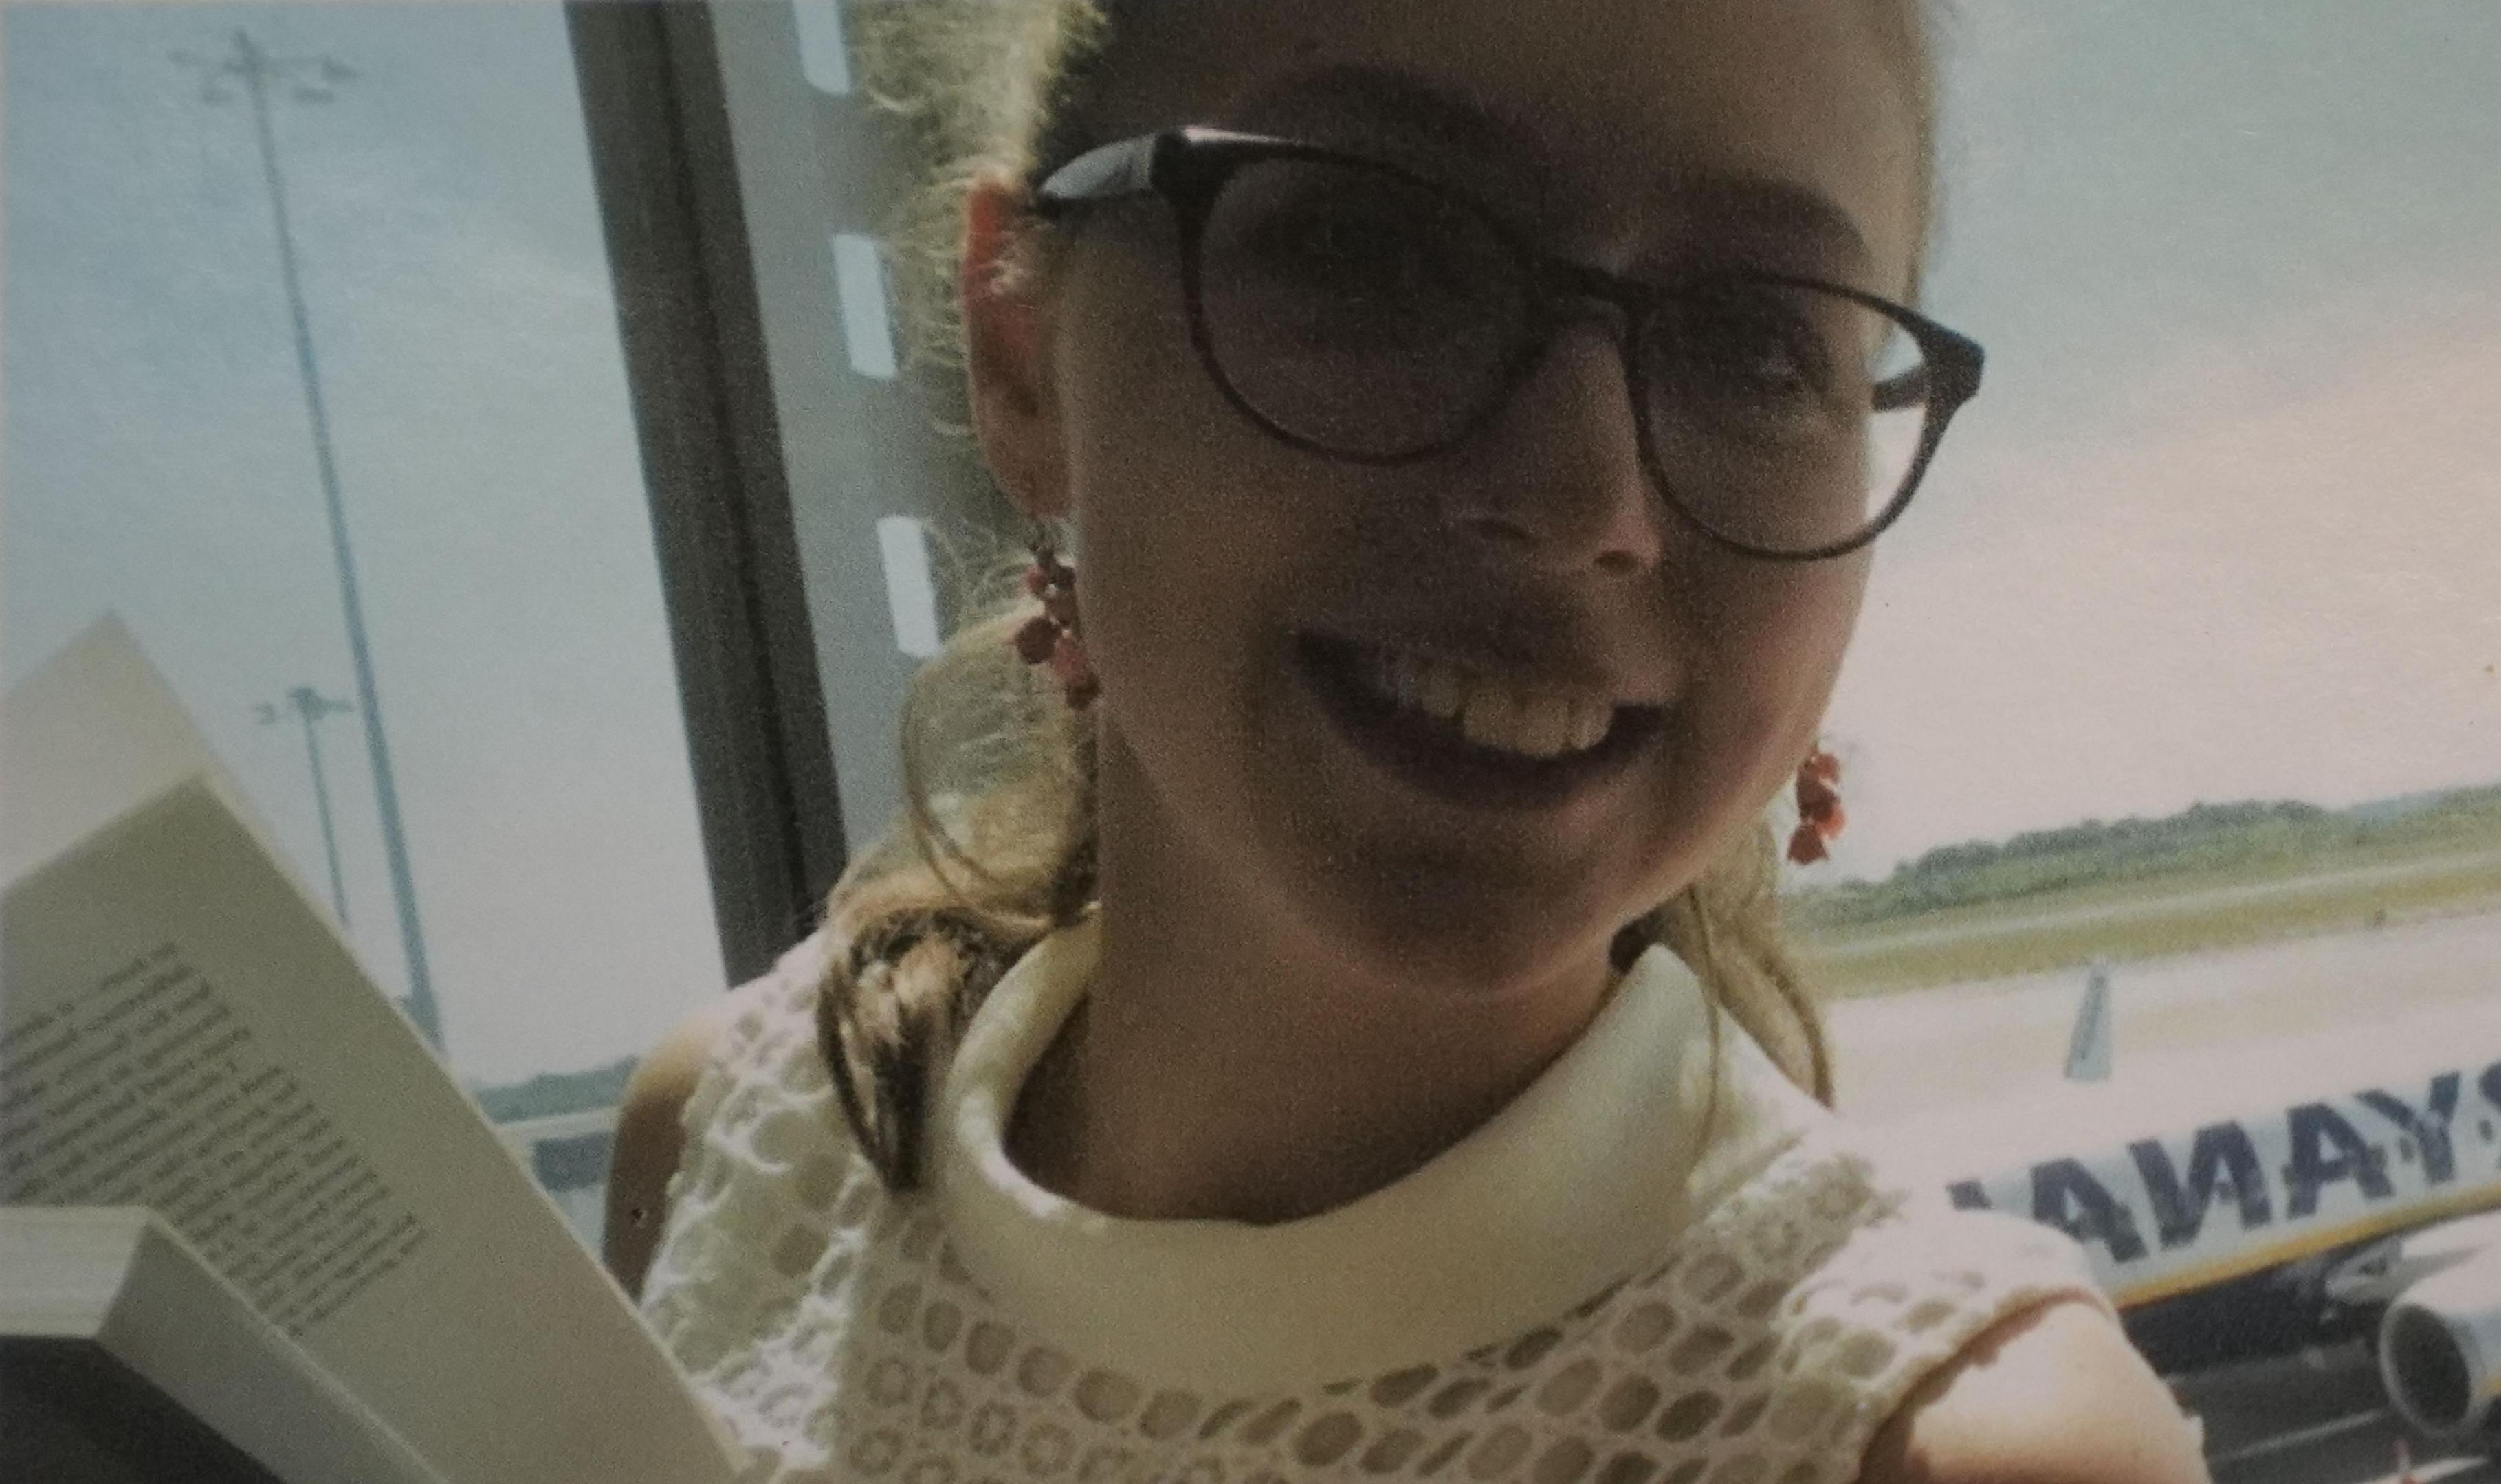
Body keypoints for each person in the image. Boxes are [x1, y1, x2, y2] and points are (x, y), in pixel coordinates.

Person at [606, 1, 2211, 1480]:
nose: (1583, 500)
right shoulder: (735, 1147)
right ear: (1024, 356)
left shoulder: (1947, 1451)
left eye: (1756, 347)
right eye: (1371, 253)